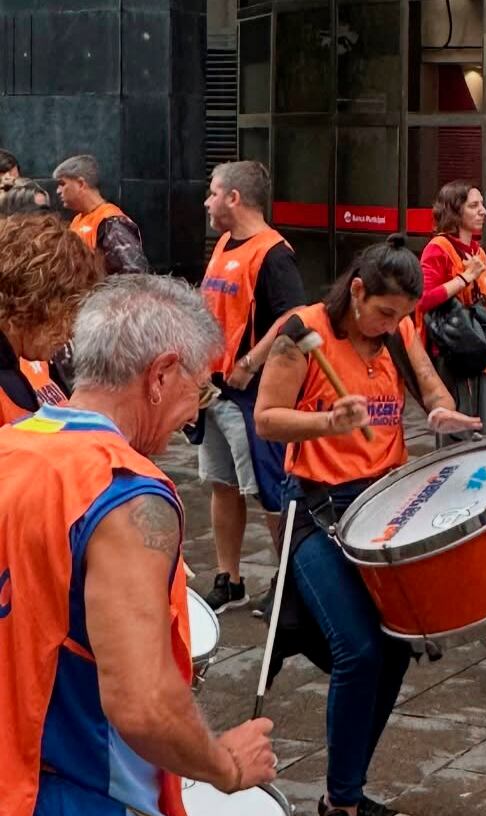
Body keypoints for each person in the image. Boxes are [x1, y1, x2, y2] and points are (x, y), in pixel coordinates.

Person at [0, 275, 277, 816]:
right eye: (199, 390)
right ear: (159, 376)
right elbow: (145, 707)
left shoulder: (11, 448)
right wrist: (223, 766)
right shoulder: (126, 493)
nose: (193, 416)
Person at [255, 235, 481, 816]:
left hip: (386, 508)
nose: (390, 326)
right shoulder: (307, 335)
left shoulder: (395, 330)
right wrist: (327, 426)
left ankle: (345, 795)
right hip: (320, 513)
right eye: (383, 313)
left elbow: (425, 375)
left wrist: (437, 406)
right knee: (357, 650)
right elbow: (268, 421)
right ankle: (340, 813)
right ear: (357, 290)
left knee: (399, 648)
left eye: (399, 316)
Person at [198, 160, 308, 617]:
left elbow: (294, 315)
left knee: (269, 491)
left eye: (212, 192)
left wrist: (249, 362)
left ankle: (293, 585)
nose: (207, 201)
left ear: (233, 198)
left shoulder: (274, 253)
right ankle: (231, 579)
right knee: (221, 484)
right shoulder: (225, 242)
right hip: (214, 391)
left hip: (251, 394)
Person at [416, 179, 486, 433]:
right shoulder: (438, 248)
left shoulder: (478, 251)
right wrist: (464, 278)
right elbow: (424, 298)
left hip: (480, 352)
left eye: (482, 205)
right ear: (455, 211)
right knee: (460, 431)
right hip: (454, 353)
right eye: (474, 206)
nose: (483, 211)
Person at [0, 215, 103, 426]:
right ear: (44, 301)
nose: (71, 331)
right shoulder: (7, 379)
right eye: (70, 312)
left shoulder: (12, 366)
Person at [53, 154, 148, 276]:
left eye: (62, 184)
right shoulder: (78, 220)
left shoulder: (112, 222)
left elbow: (135, 276)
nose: (58, 191)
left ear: (81, 184)